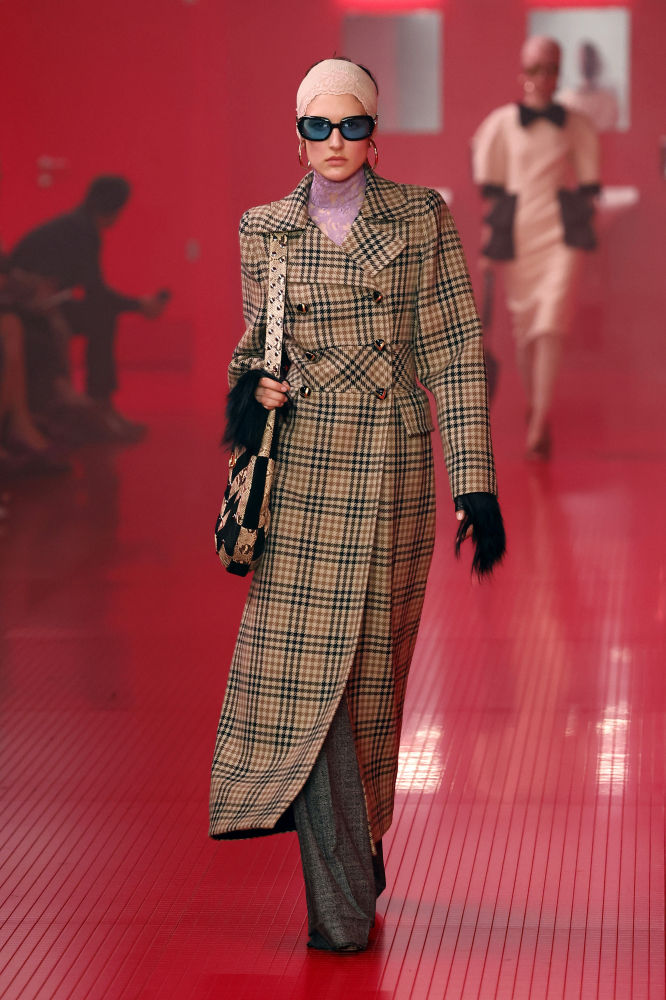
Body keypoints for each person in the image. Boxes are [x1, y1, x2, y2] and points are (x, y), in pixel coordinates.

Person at [209, 57, 505, 953]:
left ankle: (356, 853)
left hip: (387, 475)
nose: (334, 143)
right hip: (300, 477)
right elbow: (252, 346)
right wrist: (249, 387)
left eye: (351, 126)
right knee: (310, 683)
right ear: (295, 133)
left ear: (376, 133)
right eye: (317, 127)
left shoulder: (421, 220)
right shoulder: (262, 228)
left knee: (370, 680)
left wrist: (476, 484)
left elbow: (454, 353)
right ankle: (340, 906)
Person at [472, 36, 601, 459]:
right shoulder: (502, 125)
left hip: (561, 237)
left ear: (559, 72)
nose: (542, 78)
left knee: (551, 324)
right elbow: (494, 194)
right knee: (526, 330)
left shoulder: (575, 124)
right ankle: (535, 405)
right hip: (520, 238)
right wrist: (490, 245)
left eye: (550, 69)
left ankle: (540, 421)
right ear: (522, 73)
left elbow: (588, 185)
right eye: (535, 69)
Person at [10, 176, 167, 441]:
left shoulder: (76, 225)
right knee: (101, 315)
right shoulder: (82, 230)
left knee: (102, 316)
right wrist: (139, 305)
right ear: (115, 208)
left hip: (37, 304)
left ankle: (103, 404)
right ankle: (101, 405)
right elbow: (95, 292)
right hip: (26, 309)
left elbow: (91, 291)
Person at [558, 41, 620, 133]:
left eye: (588, 58)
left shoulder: (608, 100)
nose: (585, 62)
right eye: (582, 58)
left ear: (596, 62)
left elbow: (608, 130)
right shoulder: (565, 99)